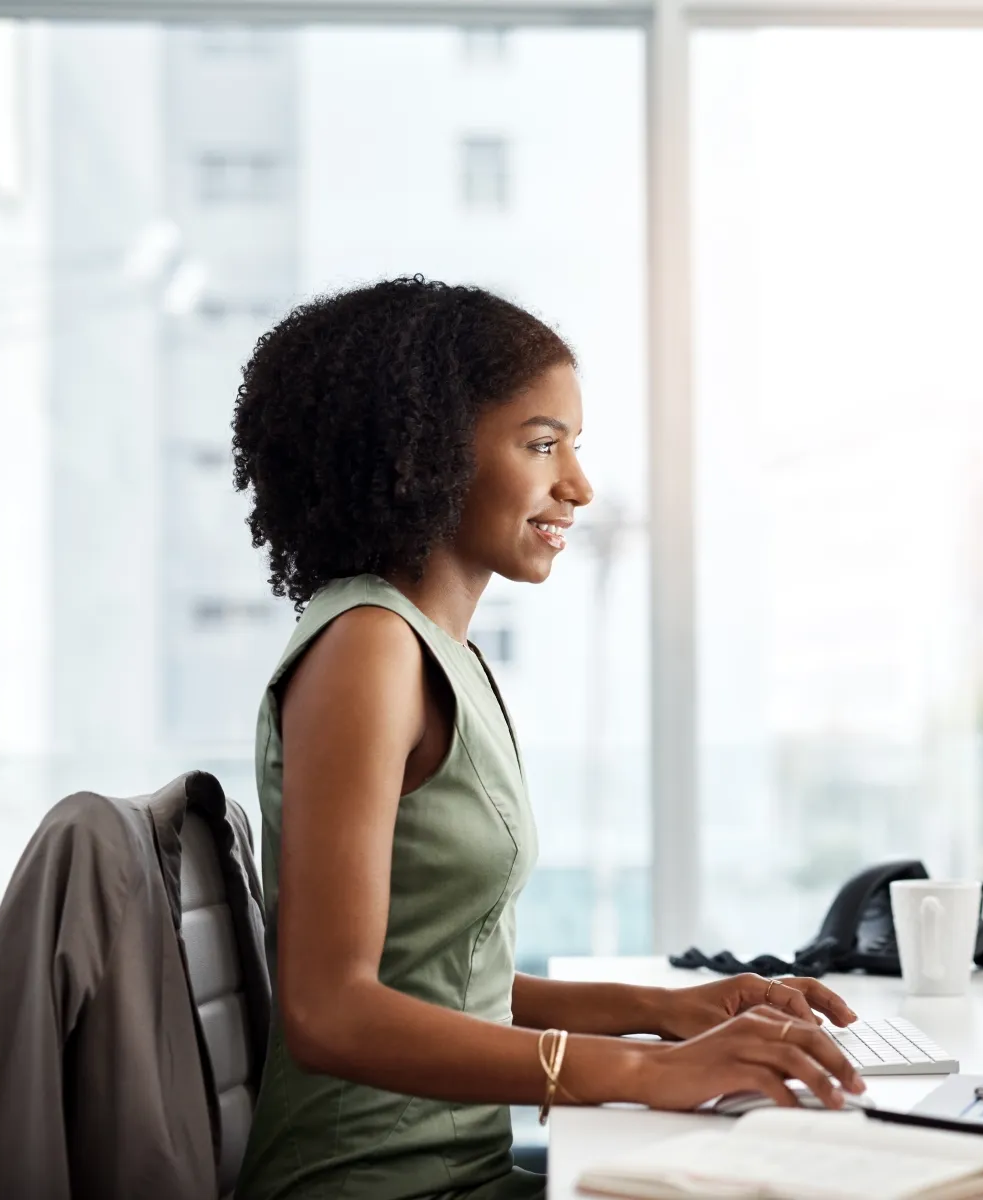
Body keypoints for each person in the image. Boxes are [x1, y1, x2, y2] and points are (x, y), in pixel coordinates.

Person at [228, 277, 865, 1200]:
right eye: (540, 444)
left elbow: (442, 979)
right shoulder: (368, 648)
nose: (579, 485)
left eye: (574, 445)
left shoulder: (440, 651)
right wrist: (643, 1069)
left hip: (460, 1172)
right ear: (425, 452)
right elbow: (331, 1011)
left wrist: (663, 1012)